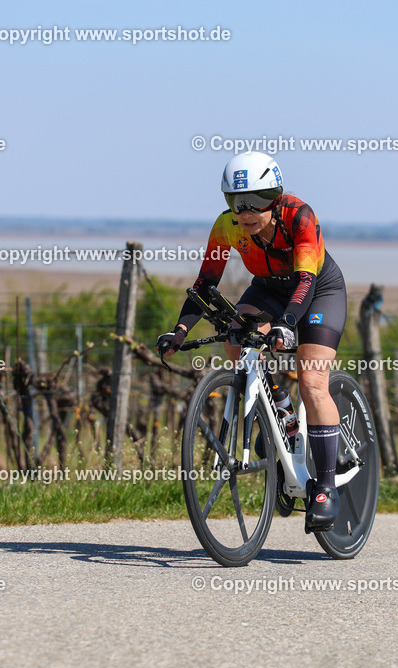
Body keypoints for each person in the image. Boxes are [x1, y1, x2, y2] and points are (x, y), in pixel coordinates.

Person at [156, 151, 347, 532]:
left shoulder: (299, 216)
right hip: (269, 289)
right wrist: (179, 332)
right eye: (235, 201)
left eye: (255, 201)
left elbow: (306, 281)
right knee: (235, 339)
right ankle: (280, 414)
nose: (245, 211)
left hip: (317, 289)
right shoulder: (226, 225)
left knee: (311, 381)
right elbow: (204, 285)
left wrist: (288, 324)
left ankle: (325, 488)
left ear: (275, 197)